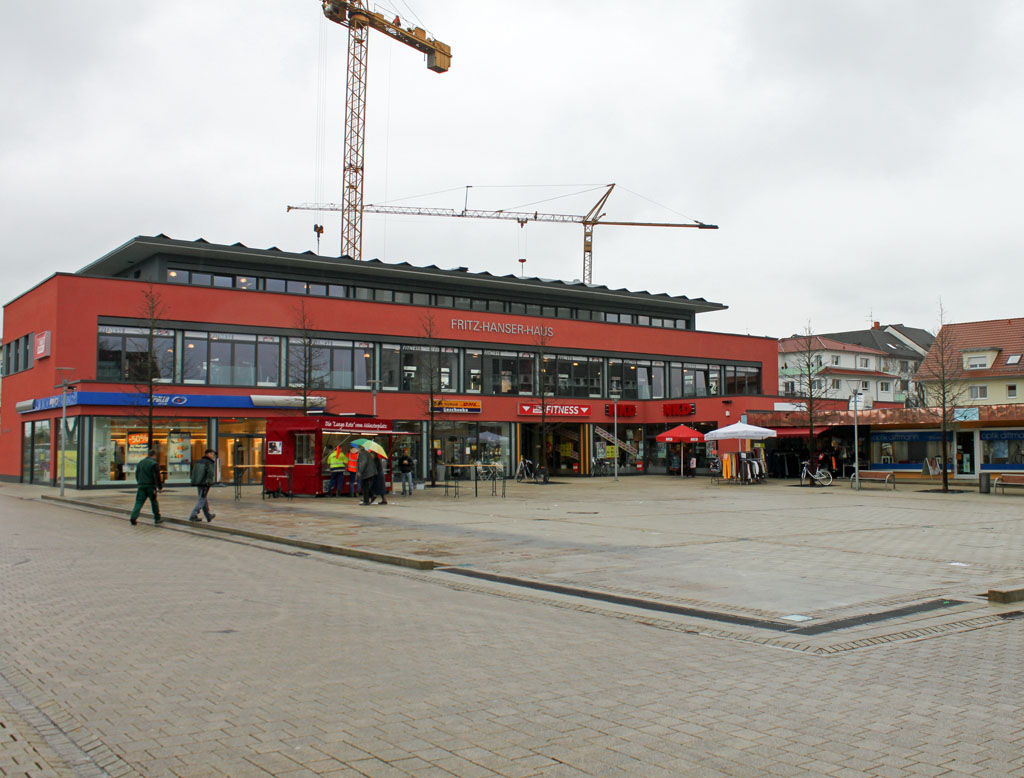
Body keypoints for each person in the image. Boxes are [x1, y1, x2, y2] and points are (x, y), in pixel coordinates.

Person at [129, 448, 163, 525]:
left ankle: (133, 516)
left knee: (139, 502)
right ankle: (157, 518)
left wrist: (139, 482)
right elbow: (157, 476)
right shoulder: (154, 463)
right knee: (154, 501)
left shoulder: (140, 462)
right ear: (154, 455)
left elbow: (137, 474)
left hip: (141, 485)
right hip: (150, 486)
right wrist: (159, 487)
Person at [188, 448, 218, 522]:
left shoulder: (198, 462)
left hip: (198, 483)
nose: (213, 456)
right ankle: (193, 515)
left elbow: (194, 472)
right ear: (208, 454)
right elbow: (210, 474)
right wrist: (209, 482)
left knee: (203, 498)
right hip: (205, 483)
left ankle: (208, 515)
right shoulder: (209, 463)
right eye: (213, 454)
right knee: (202, 499)